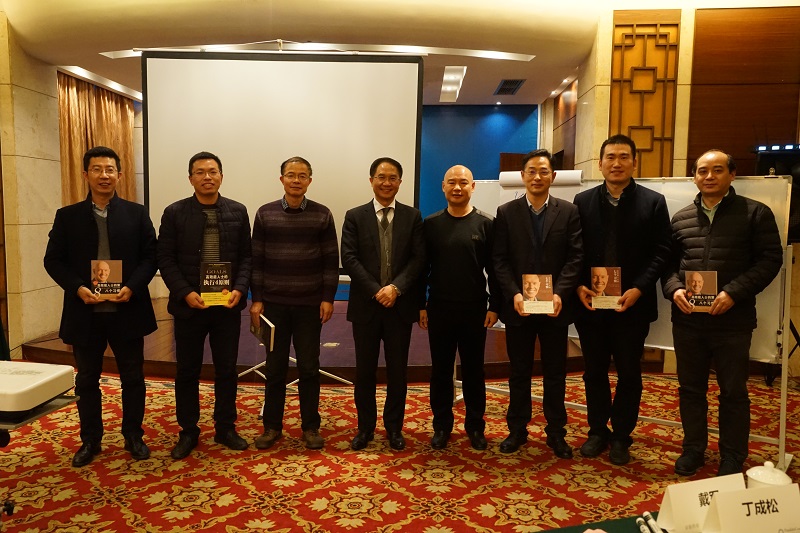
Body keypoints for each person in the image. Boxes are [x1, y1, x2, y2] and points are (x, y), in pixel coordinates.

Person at [663, 149, 782, 477]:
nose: (709, 176)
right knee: (690, 389)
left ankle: (732, 456)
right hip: (688, 321)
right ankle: (693, 449)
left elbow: (770, 260)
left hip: (733, 321)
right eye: (702, 171)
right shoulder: (681, 218)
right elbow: (667, 265)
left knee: (733, 391)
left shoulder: (755, 213)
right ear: (694, 177)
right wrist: (674, 289)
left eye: (717, 170)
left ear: (732, 175)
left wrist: (733, 292)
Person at [44, 146, 157, 467]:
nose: (104, 175)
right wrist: (78, 288)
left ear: (119, 175)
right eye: (97, 169)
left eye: (110, 170)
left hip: (127, 309)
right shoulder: (67, 216)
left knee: (133, 377)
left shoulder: (137, 213)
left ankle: (133, 435)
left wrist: (132, 287)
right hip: (85, 312)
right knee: (87, 380)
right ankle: (90, 439)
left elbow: (151, 256)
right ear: (86, 174)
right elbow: (53, 260)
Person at [573, 134, 672, 465]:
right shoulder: (582, 201)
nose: (616, 163)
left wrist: (640, 287)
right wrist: (578, 286)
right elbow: (574, 250)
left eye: (623, 157)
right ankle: (597, 431)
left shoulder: (653, 202)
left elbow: (662, 251)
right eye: (610, 157)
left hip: (632, 305)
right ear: (600, 164)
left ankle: (621, 436)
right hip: (592, 305)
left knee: (629, 373)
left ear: (634, 162)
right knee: (594, 372)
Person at [157, 151, 252, 459]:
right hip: (189, 307)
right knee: (187, 371)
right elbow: (165, 258)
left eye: (212, 171)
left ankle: (225, 428)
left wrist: (240, 289)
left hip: (226, 307)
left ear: (221, 176)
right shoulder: (174, 212)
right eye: (200, 172)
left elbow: (247, 257)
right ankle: (188, 431)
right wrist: (185, 292)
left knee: (227, 370)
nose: (207, 177)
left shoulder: (238, 211)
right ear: (190, 179)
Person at [492, 149, 583, 458]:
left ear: (553, 176)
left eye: (544, 171)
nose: (537, 177)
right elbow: (499, 260)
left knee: (555, 373)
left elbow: (575, 257)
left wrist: (560, 293)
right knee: (519, 372)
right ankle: (517, 430)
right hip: (518, 308)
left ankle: (556, 433)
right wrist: (514, 294)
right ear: (522, 176)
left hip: (555, 308)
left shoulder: (568, 212)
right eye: (531, 171)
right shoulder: (506, 212)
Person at [250, 157, 339, 451]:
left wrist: (328, 297)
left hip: (309, 306)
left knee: (309, 368)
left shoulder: (323, 214)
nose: (296, 180)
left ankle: (310, 427)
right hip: (273, 306)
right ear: (282, 179)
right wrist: (257, 299)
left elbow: (330, 260)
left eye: (302, 176)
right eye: (291, 175)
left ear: (310, 181)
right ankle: (272, 427)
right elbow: (257, 260)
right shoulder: (264, 214)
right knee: (275, 369)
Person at [341, 157, 425, 451]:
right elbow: (349, 258)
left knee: (397, 372)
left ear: (400, 182)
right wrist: (377, 291)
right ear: (371, 180)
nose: (386, 183)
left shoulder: (413, 217)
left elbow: (418, 259)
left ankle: (394, 428)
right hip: (366, 306)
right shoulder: (355, 216)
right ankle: (365, 428)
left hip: (399, 307)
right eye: (381, 177)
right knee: (364, 371)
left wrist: (396, 288)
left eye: (392, 178)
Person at [418, 165, 499, 451]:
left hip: (475, 310)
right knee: (440, 371)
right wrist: (421, 305)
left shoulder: (486, 224)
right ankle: (441, 426)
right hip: (439, 309)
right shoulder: (431, 224)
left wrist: (495, 305)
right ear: (443, 186)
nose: (457, 187)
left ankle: (475, 426)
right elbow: (421, 269)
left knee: (474, 371)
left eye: (463, 182)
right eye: (451, 182)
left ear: (472, 187)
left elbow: (495, 270)